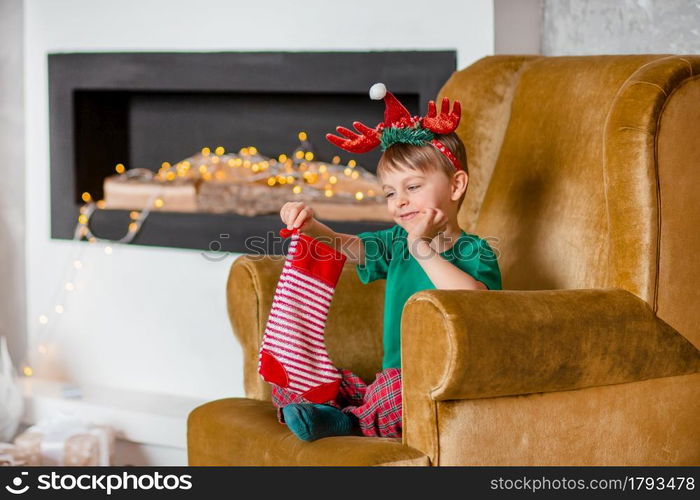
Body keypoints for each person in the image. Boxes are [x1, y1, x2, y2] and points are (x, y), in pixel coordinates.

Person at [271, 83, 502, 442]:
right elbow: (348, 247)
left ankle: (346, 423)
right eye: (391, 193)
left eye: (413, 187)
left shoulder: (475, 250)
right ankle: (330, 410)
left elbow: (475, 301)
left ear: (456, 186)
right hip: (389, 377)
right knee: (313, 375)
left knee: (393, 391)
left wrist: (421, 246)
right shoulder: (395, 242)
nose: (400, 202)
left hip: (439, 385)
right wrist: (311, 225)